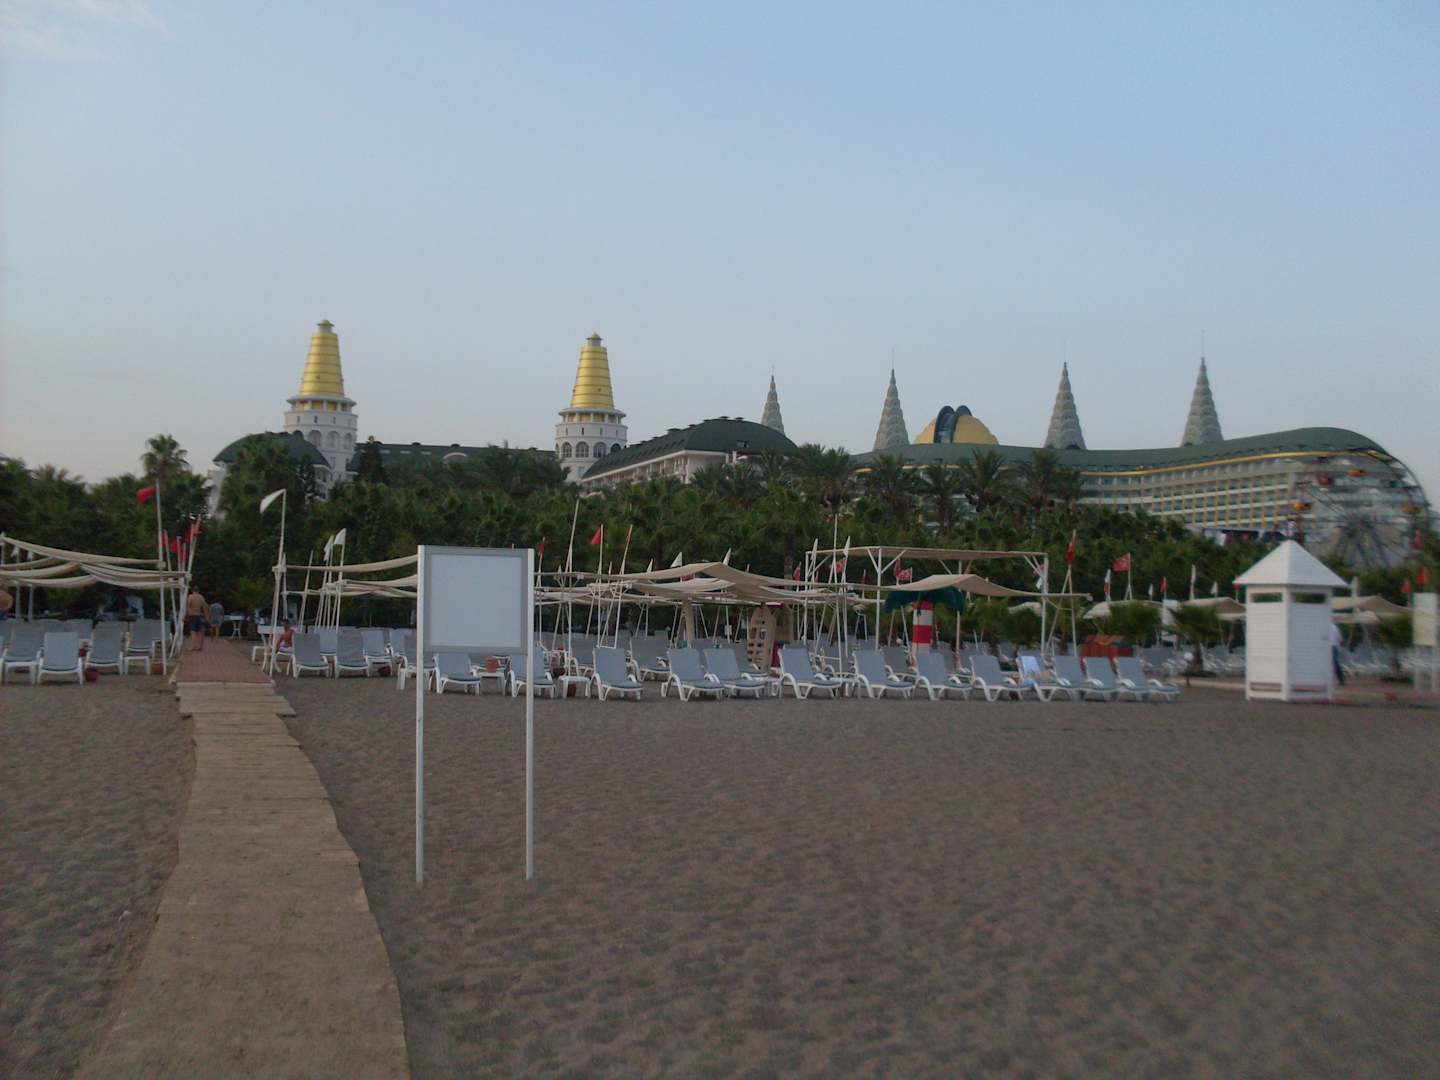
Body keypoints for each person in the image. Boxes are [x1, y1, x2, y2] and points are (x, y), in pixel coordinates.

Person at [1330, 621, 1345, 687]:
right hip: (1334, 647)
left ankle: (1340, 680)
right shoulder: (1335, 627)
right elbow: (1340, 639)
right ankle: (1341, 680)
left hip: (1331, 647)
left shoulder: (1330, 627)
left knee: (1334, 663)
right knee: (1336, 663)